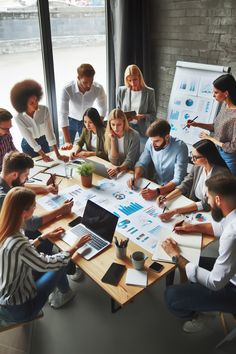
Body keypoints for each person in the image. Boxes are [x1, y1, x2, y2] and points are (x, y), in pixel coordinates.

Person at [0, 187, 91, 324]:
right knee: (60, 263)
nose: (35, 207)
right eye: (33, 206)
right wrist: (76, 246)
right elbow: (48, 263)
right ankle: (66, 294)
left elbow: (21, 251)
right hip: (19, 310)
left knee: (56, 258)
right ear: (24, 212)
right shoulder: (19, 242)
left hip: (6, 296)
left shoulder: (7, 228)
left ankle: (61, 290)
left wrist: (43, 237)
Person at [162, 174, 236, 333]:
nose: (207, 202)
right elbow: (221, 227)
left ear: (218, 200)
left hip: (232, 287)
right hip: (231, 272)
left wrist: (176, 256)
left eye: (208, 198)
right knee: (191, 259)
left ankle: (197, 315)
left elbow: (215, 283)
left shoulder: (232, 234)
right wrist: (193, 227)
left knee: (171, 296)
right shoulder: (232, 213)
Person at [158, 139, 229, 221]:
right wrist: (166, 198)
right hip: (195, 204)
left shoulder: (221, 176)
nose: (192, 159)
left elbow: (206, 204)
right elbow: (185, 184)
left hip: (212, 213)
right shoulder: (198, 166)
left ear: (206, 158)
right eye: (191, 155)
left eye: (195, 157)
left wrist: (175, 211)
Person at [187, 73, 236, 175]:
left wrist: (210, 139)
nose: (213, 95)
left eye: (216, 92)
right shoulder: (224, 105)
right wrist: (197, 124)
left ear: (226, 93)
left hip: (229, 158)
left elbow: (233, 147)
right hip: (216, 152)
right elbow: (216, 127)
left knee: (226, 187)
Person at [128, 119, 188, 199]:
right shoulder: (151, 141)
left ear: (167, 137)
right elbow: (141, 163)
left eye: (156, 141)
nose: (153, 144)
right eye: (152, 140)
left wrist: (158, 191)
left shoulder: (180, 147)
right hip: (157, 184)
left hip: (173, 190)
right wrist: (135, 177)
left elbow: (178, 179)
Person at [10, 79, 68, 162]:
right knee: (32, 168)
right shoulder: (18, 117)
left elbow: (49, 133)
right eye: (32, 103)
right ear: (24, 104)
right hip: (29, 145)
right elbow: (29, 138)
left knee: (49, 164)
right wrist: (43, 155)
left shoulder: (44, 110)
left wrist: (58, 155)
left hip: (43, 141)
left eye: (36, 100)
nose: (36, 104)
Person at [59, 64, 107, 150]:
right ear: (78, 78)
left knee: (88, 148)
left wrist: (98, 123)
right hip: (70, 121)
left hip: (86, 121)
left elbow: (103, 108)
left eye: (91, 82)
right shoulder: (67, 89)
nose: (88, 86)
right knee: (66, 149)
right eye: (85, 82)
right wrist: (67, 141)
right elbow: (63, 114)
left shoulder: (98, 88)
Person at [117, 64, 156, 150]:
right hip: (126, 128)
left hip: (142, 129)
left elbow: (153, 115)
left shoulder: (149, 92)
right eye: (129, 80)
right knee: (128, 153)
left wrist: (142, 116)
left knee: (143, 153)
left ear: (140, 77)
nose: (132, 83)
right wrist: (125, 118)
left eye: (135, 79)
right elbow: (117, 112)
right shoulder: (121, 91)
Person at [104, 108, 140, 178]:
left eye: (119, 124)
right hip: (116, 169)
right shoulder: (109, 133)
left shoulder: (134, 135)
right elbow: (113, 160)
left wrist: (118, 169)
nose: (115, 128)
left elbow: (130, 161)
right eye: (113, 124)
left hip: (131, 171)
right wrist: (113, 140)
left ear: (124, 123)